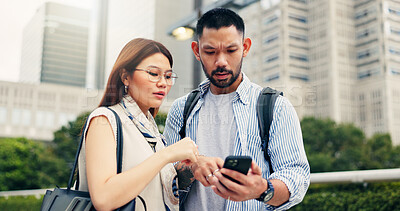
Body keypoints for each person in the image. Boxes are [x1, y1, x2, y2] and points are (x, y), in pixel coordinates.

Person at [164, 8, 310, 210]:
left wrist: (261, 189)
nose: (221, 62)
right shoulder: (181, 109)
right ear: (197, 51)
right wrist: (191, 167)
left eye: (231, 51)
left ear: (246, 47)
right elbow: (163, 175)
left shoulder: (275, 107)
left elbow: (296, 177)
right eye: (210, 51)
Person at [77, 38, 199, 211]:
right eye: (153, 73)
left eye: (168, 76)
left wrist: (193, 168)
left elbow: (151, 191)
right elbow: (103, 198)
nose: (163, 83)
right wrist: (167, 154)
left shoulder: (152, 132)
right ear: (126, 77)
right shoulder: (105, 120)